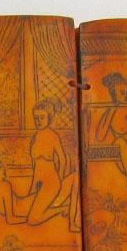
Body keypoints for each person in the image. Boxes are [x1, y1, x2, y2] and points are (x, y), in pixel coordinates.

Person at [27, 98, 80, 232]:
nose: (38, 121)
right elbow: (35, 166)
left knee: (32, 219)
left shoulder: (53, 136)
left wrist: (60, 179)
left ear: (49, 118)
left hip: (52, 183)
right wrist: (32, 187)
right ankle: (62, 208)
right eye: (36, 118)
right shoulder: (35, 137)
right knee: (27, 212)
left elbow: (63, 159)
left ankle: (62, 209)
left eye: (42, 118)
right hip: (39, 183)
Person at [96, 72, 127, 192]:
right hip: (118, 145)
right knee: (122, 141)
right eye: (122, 93)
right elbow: (100, 136)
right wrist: (111, 113)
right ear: (113, 94)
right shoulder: (111, 111)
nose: (126, 96)